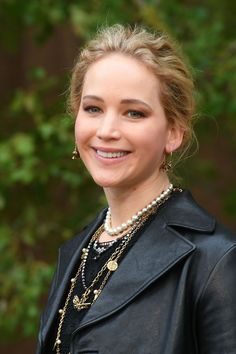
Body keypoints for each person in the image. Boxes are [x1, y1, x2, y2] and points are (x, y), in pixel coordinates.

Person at [36, 24, 236, 354]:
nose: (107, 130)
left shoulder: (216, 261)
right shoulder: (78, 252)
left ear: (174, 133)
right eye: (93, 108)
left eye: (134, 113)